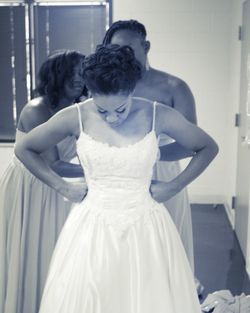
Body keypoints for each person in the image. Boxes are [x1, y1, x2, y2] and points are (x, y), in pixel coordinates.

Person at [15, 44, 218, 313]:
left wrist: (174, 185)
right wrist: (61, 185)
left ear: (131, 91)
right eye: (102, 110)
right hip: (91, 224)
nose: (111, 118)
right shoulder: (75, 116)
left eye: (120, 110)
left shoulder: (158, 114)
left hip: (145, 224)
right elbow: (24, 148)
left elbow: (207, 147)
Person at [102, 19, 198, 281]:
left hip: (161, 173)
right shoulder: (107, 85)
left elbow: (191, 145)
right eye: (115, 50)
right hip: (117, 177)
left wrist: (148, 155)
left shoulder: (174, 87)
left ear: (146, 46)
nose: (122, 56)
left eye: (129, 49)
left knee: (163, 248)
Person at [0, 50, 87, 313]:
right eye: (73, 71)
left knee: (52, 246)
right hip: (32, 183)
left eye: (83, 71)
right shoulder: (37, 108)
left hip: (56, 185)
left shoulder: (80, 109)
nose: (79, 78)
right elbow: (53, 164)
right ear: (56, 74)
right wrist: (99, 174)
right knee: (30, 247)